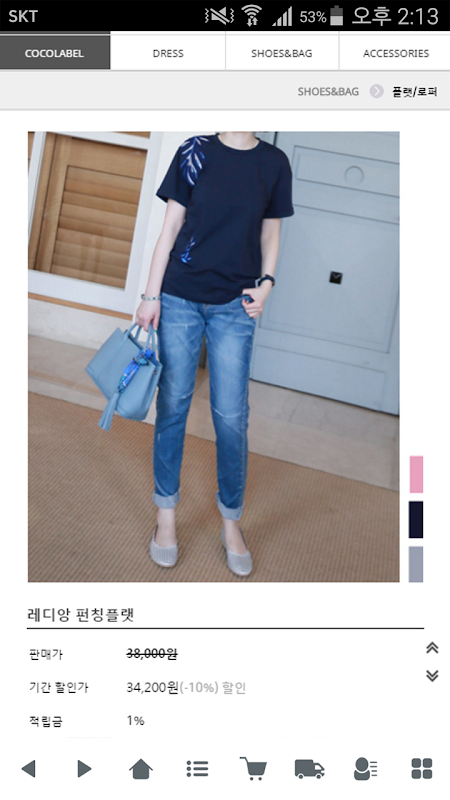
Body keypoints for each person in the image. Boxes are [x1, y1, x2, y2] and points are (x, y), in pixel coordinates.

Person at [135, 131, 293, 576]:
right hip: (180, 296)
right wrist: (151, 296)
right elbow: (170, 229)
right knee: (173, 404)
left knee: (231, 417)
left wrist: (267, 284)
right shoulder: (194, 151)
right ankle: (166, 516)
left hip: (235, 305)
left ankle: (231, 522)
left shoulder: (274, 163)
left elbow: (271, 231)